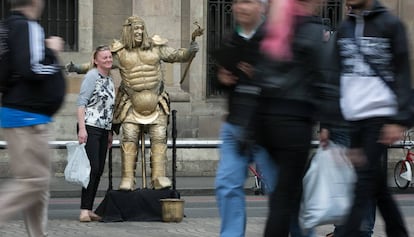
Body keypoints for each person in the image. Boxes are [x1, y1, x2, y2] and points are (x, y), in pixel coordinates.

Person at [67, 15, 199, 190]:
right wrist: (76, 68)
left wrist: (190, 50)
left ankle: (158, 176)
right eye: (135, 29)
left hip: (156, 102)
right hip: (130, 103)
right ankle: (128, 178)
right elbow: (95, 64)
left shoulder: (157, 47)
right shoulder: (119, 52)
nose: (139, 32)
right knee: (129, 136)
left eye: (141, 29)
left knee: (159, 137)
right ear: (128, 31)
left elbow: (177, 55)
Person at [250, 0, 334, 236]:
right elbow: (322, 79)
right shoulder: (312, 29)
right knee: (284, 196)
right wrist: (326, 122)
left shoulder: (275, 25)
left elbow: (259, 72)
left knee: (289, 191)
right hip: (294, 124)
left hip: (267, 121)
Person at [333, 0, 411, 236]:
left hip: (379, 117)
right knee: (377, 187)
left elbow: (403, 73)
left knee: (363, 185)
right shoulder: (344, 29)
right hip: (354, 119)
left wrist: (399, 119)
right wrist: (333, 120)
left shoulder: (390, 24)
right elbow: (335, 75)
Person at [213, 1, 279, 237]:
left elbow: (288, 78)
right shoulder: (229, 39)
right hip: (235, 124)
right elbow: (218, 80)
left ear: (262, 7)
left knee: (280, 190)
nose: (242, 7)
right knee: (227, 185)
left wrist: (259, 75)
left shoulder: (274, 38)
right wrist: (222, 79)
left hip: (267, 126)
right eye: (238, 1)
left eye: (248, 1)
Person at [0, 0, 66, 236]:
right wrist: (53, 53)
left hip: (17, 113)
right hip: (29, 117)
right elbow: (33, 68)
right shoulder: (28, 27)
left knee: (38, 184)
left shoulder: (6, 26)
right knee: (34, 181)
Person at [77, 45, 115, 222]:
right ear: (96, 60)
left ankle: (89, 208)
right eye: (104, 57)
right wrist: (82, 128)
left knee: (99, 169)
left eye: (110, 57)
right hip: (90, 126)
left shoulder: (110, 79)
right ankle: (84, 209)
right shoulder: (92, 76)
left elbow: (108, 108)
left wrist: (109, 132)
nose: (108, 59)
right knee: (92, 168)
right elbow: (81, 103)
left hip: (103, 129)